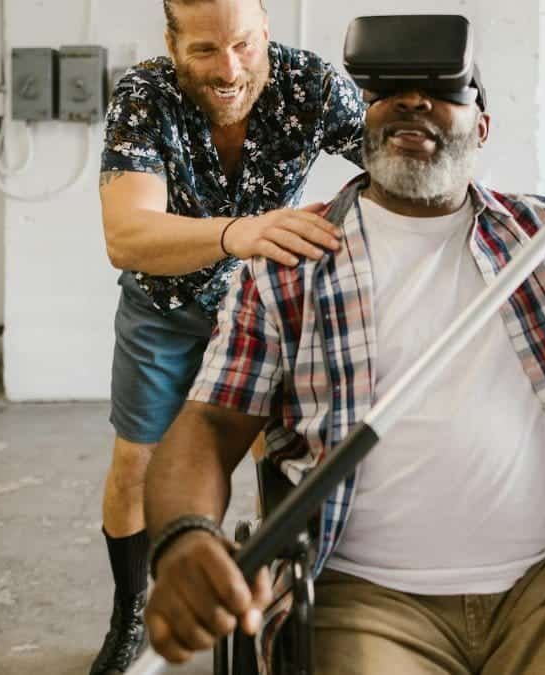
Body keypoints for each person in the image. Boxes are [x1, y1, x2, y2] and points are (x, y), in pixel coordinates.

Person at [141, 48, 545, 673]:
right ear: (364, 121)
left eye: (444, 88)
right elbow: (209, 424)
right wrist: (184, 539)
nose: (413, 99)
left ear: (481, 127)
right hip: (364, 600)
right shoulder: (291, 259)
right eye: (388, 88)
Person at [92, 0, 365, 671]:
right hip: (164, 309)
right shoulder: (144, 96)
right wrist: (233, 233)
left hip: (266, 310)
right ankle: (130, 609)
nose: (230, 68)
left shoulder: (314, 87)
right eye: (206, 51)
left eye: (243, 45)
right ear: (172, 43)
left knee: (282, 466)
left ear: (266, 32)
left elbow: (395, 164)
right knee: (136, 465)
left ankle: (274, 611)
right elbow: (126, 235)